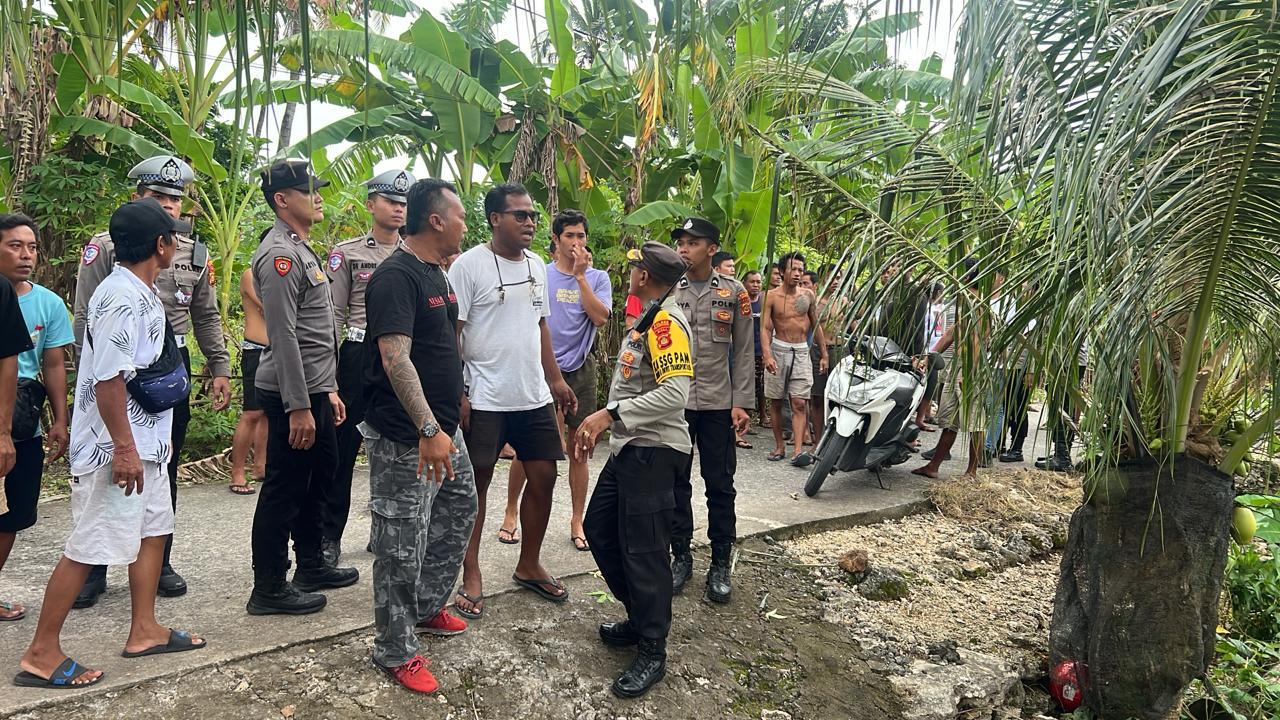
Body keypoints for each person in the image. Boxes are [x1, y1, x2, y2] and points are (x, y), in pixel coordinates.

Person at [17, 198, 207, 690]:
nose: (178, 244)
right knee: (89, 543)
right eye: (174, 236)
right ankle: (41, 652)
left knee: (152, 529)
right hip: (117, 448)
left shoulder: (136, 289)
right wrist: (123, 447)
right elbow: (108, 380)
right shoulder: (122, 297)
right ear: (160, 245)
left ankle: (144, 628)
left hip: (148, 443)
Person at [71, 155, 231, 607]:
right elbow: (86, 314)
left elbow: (206, 314)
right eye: (158, 196)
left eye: (175, 199)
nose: (168, 205)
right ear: (137, 198)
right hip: (114, 366)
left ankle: (160, 561)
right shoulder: (107, 248)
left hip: (169, 365)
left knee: (163, 462)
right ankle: (93, 567)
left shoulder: (195, 253)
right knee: (108, 461)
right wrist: (89, 381)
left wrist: (218, 367)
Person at [362, 178, 477, 694]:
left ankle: (428, 608)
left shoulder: (437, 273)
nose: (464, 225)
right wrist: (428, 427)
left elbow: (440, 348)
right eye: (459, 215)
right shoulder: (396, 276)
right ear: (435, 220)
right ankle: (395, 648)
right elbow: (395, 357)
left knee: (458, 509)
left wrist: (454, 405)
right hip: (409, 437)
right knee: (401, 542)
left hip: (445, 428)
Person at [449, 183, 576, 619]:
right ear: (494, 219)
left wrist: (555, 380)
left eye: (532, 215)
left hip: (532, 396)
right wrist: (457, 392)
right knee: (476, 488)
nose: (529, 222)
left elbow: (539, 325)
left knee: (544, 476)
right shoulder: (468, 267)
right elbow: (454, 333)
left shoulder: (538, 265)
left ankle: (529, 564)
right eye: (519, 215)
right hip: (484, 396)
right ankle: (471, 573)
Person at [576, 241, 692, 699]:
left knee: (645, 553)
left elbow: (675, 394)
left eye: (633, 269)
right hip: (631, 450)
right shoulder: (649, 317)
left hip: (654, 452)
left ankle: (652, 648)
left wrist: (610, 414)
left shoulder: (666, 323)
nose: (630, 275)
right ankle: (640, 616)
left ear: (644, 276)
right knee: (599, 529)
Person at [246, 159, 358, 616]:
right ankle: (269, 585)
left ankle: (311, 562)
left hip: (314, 387)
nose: (317, 196)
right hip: (292, 392)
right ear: (281, 199)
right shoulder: (279, 254)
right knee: (284, 487)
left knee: (322, 473)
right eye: (307, 190)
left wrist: (327, 388)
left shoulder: (303, 248)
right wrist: (297, 406)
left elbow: (317, 331)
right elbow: (285, 333)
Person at [498, 210, 611, 553]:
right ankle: (510, 511)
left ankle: (577, 519)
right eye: (569, 237)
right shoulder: (541, 275)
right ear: (556, 240)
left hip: (581, 371)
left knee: (580, 448)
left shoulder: (598, 278)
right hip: (541, 370)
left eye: (581, 236)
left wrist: (580, 279)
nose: (576, 242)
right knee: (529, 447)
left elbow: (601, 318)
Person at [324, 169, 416, 567]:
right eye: (390, 201)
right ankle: (329, 539)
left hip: (401, 360)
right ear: (371, 204)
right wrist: (328, 375)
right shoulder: (348, 254)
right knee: (342, 452)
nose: (398, 208)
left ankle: (384, 532)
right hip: (359, 357)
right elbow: (332, 315)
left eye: (403, 202)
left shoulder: (415, 254)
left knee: (396, 448)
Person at [671, 218, 753, 603]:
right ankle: (680, 557)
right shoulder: (671, 290)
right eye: (681, 243)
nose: (684, 249)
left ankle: (720, 562)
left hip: (720, 405)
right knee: (676, 484)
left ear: (711, 248)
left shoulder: (735, 293)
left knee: (720, 486)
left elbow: (743, 352)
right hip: (678, 404)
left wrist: (741, 402)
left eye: (692, 242)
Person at [0, 215, 73, 621]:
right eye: (15, 245)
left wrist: (60, 419)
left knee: (16, 510)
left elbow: (54, 363)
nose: (25, 255)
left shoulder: (47, 302)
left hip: (25, 414)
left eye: (31, 247)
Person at [913, 261, 988, 480]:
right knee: (949, 420)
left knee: (975, 421)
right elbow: (951, 334)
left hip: (969, 369)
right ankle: (934, 465)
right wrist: (929, 356)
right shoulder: (964, 302)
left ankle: (972, 471)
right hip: (958, 366)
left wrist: (969, 372)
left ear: (965, 278)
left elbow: (977, 341)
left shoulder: (978, 305)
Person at [762, 252, 826, 465]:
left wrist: (824, 354)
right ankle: (779, 445)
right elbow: (764, 328)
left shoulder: (808, 295)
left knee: (799, 401)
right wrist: (767, 355)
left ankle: (798, 451)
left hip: (801, 351)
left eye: (800, 269)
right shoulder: (770, 296)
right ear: (782, 271)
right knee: (777, 399)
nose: (798, 273)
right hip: (778, 349)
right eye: (793, 269)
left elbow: (816, 325)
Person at [228, 265, 268, 495]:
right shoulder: (250, 274)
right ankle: (237, 471)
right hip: (255, 349)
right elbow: (271, 306)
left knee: (269, 412)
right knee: (252, 412)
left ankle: (261, 467)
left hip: (277, 348)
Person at [743, 270, 767, 428]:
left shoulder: (764, 302)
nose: (756, 285)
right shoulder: (741, 302)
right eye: (752, 282)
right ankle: (747, 418)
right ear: (745, 283)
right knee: (747, 385)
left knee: (762, 385)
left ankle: (764, 416)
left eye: (758, 282)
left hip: (761, 350)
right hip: (745, 350)